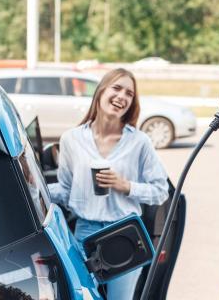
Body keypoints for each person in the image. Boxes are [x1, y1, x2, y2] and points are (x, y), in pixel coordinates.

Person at [49, 68, 169, 300]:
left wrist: (126, 186)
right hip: (85, 234)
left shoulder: (139, 142)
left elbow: (160, 191)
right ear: (101, 91)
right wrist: (32, 186)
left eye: (129, 93)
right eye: (116, 88)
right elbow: (65, 190)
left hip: (124, 233)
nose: (122, 96)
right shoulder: (71, 139)